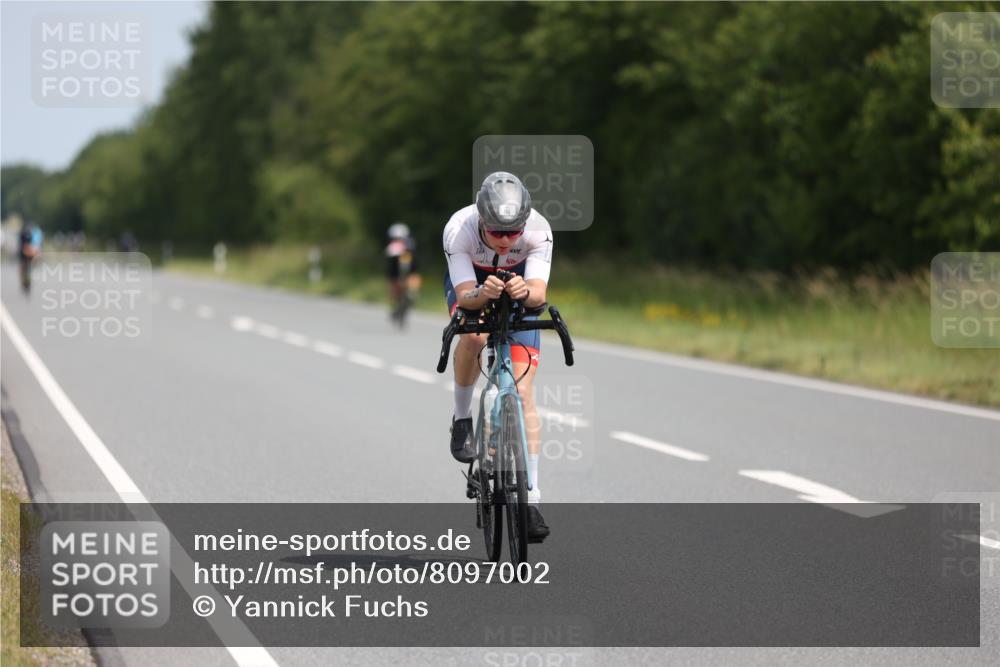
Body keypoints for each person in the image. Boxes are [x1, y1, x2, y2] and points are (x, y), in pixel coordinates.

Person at [442, 171, 553, 541]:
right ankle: (461, 417)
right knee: (474, 337)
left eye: (513, 232)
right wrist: (482, 293)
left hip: (518, 284)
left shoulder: (538, 229)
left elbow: (539, 294)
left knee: (523, 394)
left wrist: (524, 291)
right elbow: (464, 297)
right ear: (481, 219)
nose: (506, 240)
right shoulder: (459, 230)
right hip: (473, 282)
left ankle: (532, 499)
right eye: (497, 233)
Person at [385, 222, 421, 326]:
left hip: (411, 273)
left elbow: (415, 265)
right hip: (396, 275)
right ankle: (397, 308)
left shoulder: (411, 245)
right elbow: (390, 268)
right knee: (394, 292)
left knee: (412, 292)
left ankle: (409, 298)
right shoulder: (390, 248)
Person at [17, 223, 40, 294]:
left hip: (27, 252)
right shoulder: (23, 235)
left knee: (28, 267)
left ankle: (27, 280)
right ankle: (24, 280)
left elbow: (30, 245)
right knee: (23, 267)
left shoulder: (29, 235)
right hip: (24, 252)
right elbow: (23, 245)